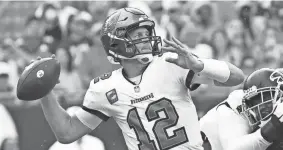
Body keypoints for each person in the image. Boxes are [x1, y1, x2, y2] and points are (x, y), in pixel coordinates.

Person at [39, 8, 244, 150]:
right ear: (116, 45)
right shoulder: (103, 88)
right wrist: (44, 92)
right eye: (137, 36)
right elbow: (66, 133)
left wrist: (202, 65)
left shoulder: (170, 64)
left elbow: (236, 78)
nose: (146, 40)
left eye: (146, 33)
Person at [200, 68, 283, 150]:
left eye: (267, 97)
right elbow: (233, 148)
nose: (261, 106)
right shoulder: (232, 108)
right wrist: (274, 124)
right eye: (256, 99)